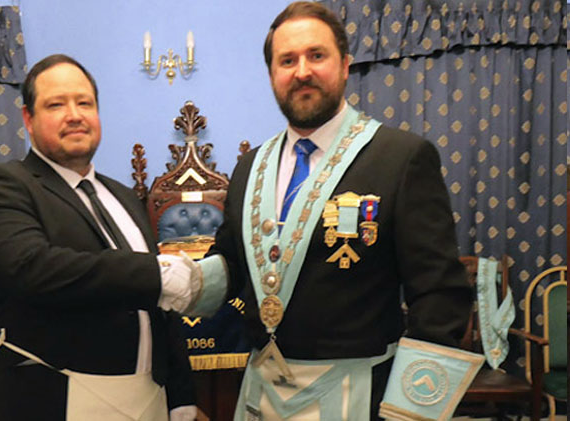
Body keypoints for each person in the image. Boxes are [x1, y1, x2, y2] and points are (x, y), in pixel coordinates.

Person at [191, 2, 475, 419]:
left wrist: (413, 410)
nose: (301, 71)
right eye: (287, 60)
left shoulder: (401, 157)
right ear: (272, 75)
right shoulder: (250, 166)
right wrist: (181, 284)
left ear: (344, 65)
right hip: (260, 395)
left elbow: (439, 296)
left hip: (357, 395)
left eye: (316, 55)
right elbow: (234, 263)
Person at [0, 54, 197, 420]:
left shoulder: (123, 195)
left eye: (84, 102)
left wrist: (181, 394)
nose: (74, 114)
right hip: (54, 397)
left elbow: (159, 309)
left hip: (148, 396)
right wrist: (156, 274)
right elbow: (32, 268)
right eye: (56, 104)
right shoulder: (1, 185)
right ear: (28, 119)